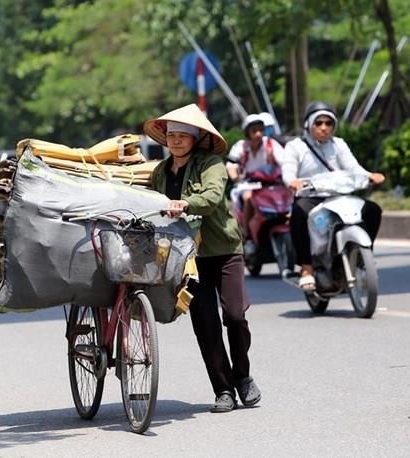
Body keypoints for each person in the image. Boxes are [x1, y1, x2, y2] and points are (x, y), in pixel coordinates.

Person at [144, 104, 261, 413]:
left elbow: (210, 198)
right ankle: (223, 390)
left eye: (183, 135)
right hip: (187, 257)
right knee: (205, 324)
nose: (177, 141)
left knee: (235, 316)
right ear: (165, 139)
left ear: (195, 139)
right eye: (172, 135)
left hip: (224, 251)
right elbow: (148, 203)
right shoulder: (159, 172)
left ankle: (244, 377)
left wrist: (184, 203)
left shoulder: (212, 164)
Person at [282, 101, 386, 290]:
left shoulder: (339, 144)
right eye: (318, 123)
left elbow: (353, 168)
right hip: (311, 198)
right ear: (308, 124)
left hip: (339, 196)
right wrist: (292, 181)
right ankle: (306, 268)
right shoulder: (295, 146)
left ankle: (363, 257)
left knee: (372, 210)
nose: (324, 128)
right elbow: (288, 171)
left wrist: (370, 175)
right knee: (298, 213)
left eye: (328, 123)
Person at [226, 114, 285, 242]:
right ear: (247, 132)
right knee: (248, 197)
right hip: (247, 184)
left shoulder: (271, 144)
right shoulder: (240, 146)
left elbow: (285, 162)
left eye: (260, 130)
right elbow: (231, 164)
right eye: (254, 131)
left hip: (269, 185)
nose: (258, 134)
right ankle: (246, 234)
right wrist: (235, 177)